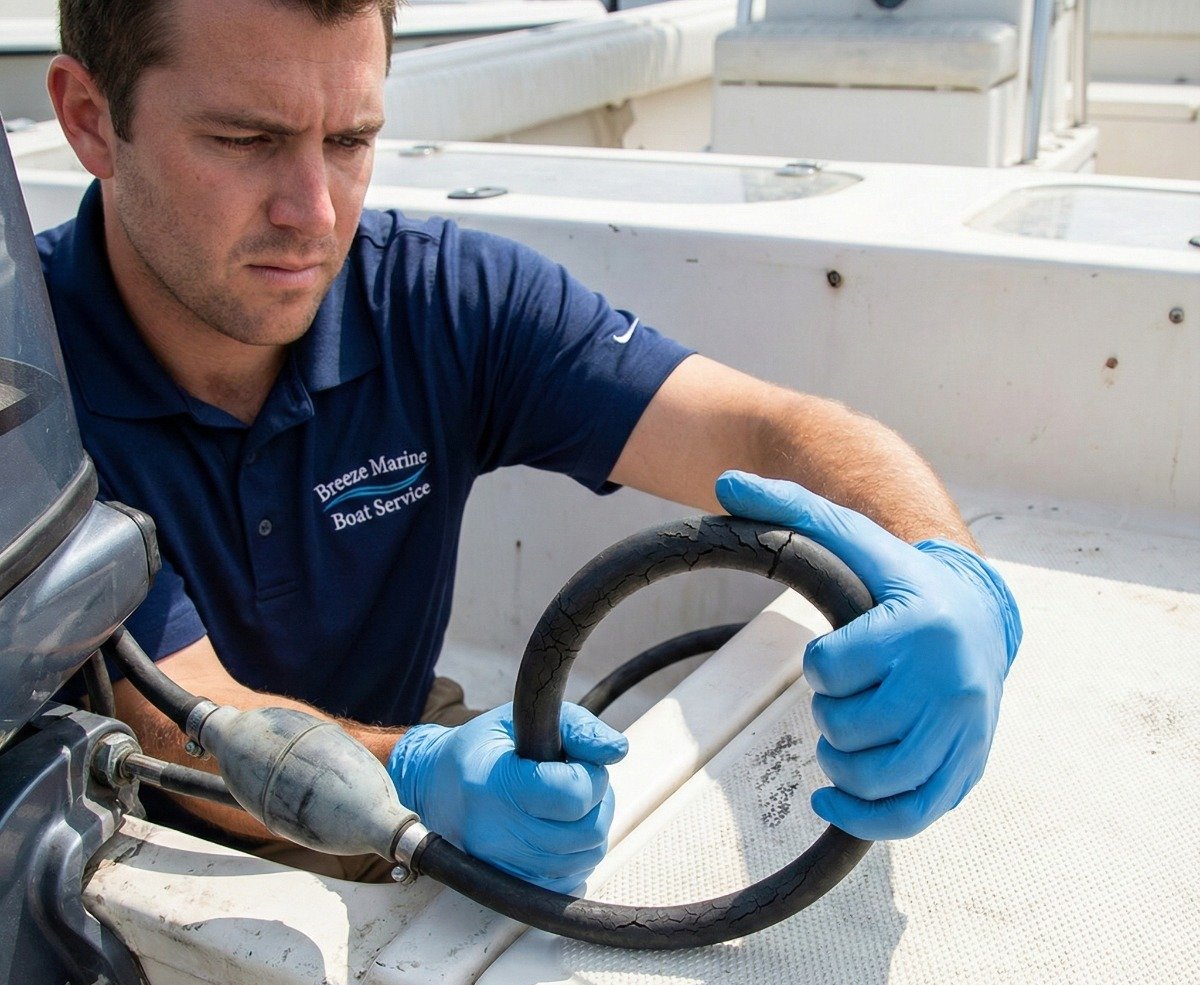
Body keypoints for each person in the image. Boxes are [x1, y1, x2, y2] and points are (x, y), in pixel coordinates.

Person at [39, 0, 1021, 890]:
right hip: (148, 868)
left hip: (388, 780)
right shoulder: (23, 389)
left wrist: (951, 576)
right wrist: (422, 772)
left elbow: (771, 430)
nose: (316, 214)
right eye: (245, 139)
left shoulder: (441, 302)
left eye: (350, 139)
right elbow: (180, 714)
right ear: (90, 118)